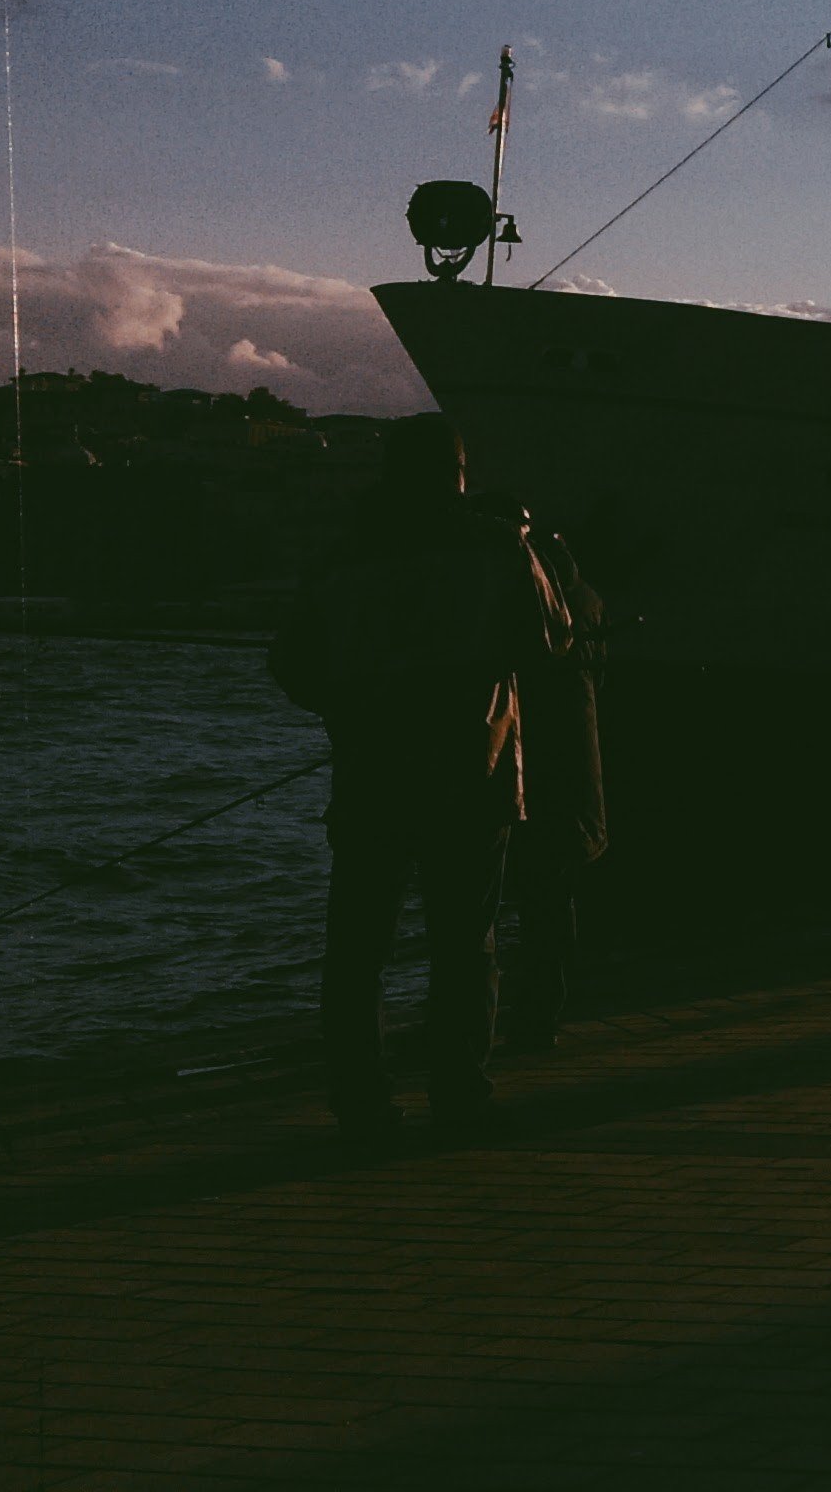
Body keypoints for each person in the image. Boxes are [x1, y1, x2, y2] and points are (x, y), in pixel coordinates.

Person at [270, 416, 566, 1142]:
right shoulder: (496, 548)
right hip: (475, 771)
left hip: (371, 774)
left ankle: (361, 1101)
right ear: (457, 475)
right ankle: (460, 1094)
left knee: (357, 951)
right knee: (466, 947)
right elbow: (549, 641)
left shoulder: (342, 557)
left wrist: (351, 708)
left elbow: (291, 663)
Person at [500, 517, 608, 1054]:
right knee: (552, 907)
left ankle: (513, 1017)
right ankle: (539, 1016)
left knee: (513, 906)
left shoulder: (525, 608)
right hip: (575, 786)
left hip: (531, 781)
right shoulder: (585, 604)